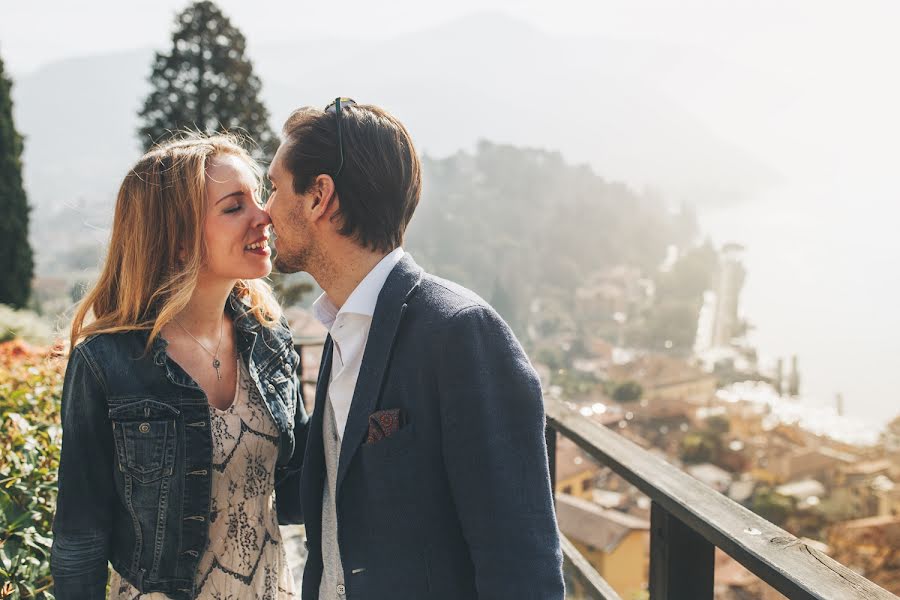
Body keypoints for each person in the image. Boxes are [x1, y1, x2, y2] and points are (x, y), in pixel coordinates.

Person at [265, 98, 565, 600]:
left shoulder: (461, 333)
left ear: (319, 196)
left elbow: (521, 560)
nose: (265, 209)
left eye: (273, 188)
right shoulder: (342, 331)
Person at [50, 134, 307, 600]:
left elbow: (303, 491)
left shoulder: (269, 339)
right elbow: (79, 535)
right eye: (234, 207)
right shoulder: (106, 364)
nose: (263, 216)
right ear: (178, 241)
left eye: (256, 197)